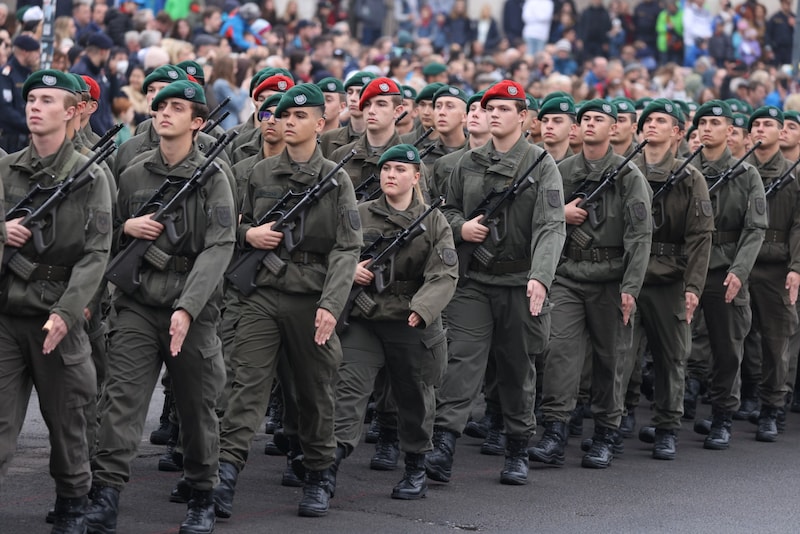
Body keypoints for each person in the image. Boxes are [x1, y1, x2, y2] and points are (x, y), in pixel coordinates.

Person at [85, 79, 235, 534]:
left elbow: (220, 246)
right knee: (122, 403)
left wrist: (188, 308)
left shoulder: (214, 177)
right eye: (161, 105)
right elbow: (100, 239)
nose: (165, 113)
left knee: (196, 406)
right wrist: (125, 226)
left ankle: (203, 493)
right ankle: (106, 494)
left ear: (199, 122)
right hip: (137, 304)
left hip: (191, 307)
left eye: (178, 108)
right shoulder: (132, 175)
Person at [213, 84, 361, 519]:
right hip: (262, 295)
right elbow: (230, 228)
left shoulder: (337, 179)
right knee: (246, 388)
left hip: (310, 299)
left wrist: (331, 305)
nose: (287, 122)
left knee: (315, 392)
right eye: (283, 116)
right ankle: (223, 475)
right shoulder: (258, 173)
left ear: (320, 123)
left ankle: (317, 473)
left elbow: (347, 248)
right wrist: (248, 235)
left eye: (299, 117)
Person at [425, 80, 566, 486]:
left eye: (504, 109)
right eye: (490, 109)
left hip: (520, 280)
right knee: (462, 360)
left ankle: (518, 445)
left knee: (517, 365)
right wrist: (461, 227)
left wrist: (540, 277)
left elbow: (551, 226)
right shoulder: (464, 163)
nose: (495, 115)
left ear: (523, 117)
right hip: (474, 280)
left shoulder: (541, 164)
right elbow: (443, 213)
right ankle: (444, 443)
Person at [0, 69, 112, 533]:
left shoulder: (92, 176)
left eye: (48, 100)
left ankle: (72, 500)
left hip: (58, 314)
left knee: (68, 423)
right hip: (7, 314)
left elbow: (97, 252)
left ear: (71, 113)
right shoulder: (6, 169)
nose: (34, 106)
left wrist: (69, 313)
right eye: (31, 98)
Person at [528, 99, 652, 470]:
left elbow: (640, 235)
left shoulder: (630, 176)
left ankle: (605, 433)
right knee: (560, 354)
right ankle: (554, 430)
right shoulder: (562, 170)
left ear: (614, 128)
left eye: (600, 119)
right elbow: (540, 218)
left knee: (611, 359)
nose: (592, 124)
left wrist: (631, 287)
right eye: (586, 119)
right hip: (568, 276)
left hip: (611, 280)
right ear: (578, 129)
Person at [332, 144, 457, 499]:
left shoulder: (434, 220)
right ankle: (325, 471)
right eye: (387, 169)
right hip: (364, 318)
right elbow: (337, 252)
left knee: (415, 397)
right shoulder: (359, 213)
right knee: (347, 393)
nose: (391, 175)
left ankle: (416, 466)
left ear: (416, 177)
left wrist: (424, 308)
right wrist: (348, 270)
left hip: (411, 320)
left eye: (401, 170)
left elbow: (445, 273)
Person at [625, 98, 713, 460]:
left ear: (678, 132)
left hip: (670, 279)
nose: (652, 125)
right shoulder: (626, 171)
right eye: (648, 120)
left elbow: (700, 236)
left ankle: (666, 427)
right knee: (622, 357)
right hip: (631, 274)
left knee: (671, 358)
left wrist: (693, 287)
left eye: (661, 120)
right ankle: (615, 421)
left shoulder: (691, 177)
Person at [689, 100, 766, 449]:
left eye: (714, 123)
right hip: (689, 268)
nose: (706, 128)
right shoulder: (686, 169)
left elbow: (755, 228)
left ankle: (722, 416)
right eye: (702, 122)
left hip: (725, 270)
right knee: (678, 346)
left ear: (730, 132)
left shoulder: (746, 174)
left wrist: (740, 270)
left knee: (727, 347)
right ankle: (671, 416)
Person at [744, 106, 800, 441]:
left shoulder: (794, 173)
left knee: (777, 340)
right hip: (741, 263)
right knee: (739, 336)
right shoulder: (740, 171)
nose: (762, 129)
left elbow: (799, 225)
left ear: (781, 133)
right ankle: (747, 395)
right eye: (757, 125)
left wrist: (796, 267)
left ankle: (773, 407)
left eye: (769, 124)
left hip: (777, 265)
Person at [319, 71, 376, 158]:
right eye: (350, 92)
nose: (352, 98)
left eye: (360, 92)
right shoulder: (329, 138)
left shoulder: (379, 140)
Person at [0, 35, 40, 154]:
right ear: (25, 52)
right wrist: (29, 125)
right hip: (9, 138)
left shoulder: (27, 74)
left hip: (24, 138)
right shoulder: (7, 74)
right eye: (36, 52)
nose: (38, 56)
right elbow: (5, 110)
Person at [209, 56, 249, 131]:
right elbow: (237, 104)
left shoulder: (223, 83)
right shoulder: (221, 84)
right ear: (227, 69)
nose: (236, 71)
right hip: (227, 124)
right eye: (234, 68)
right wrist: (244, 89)